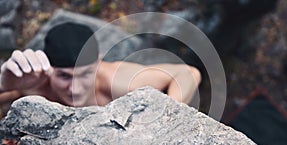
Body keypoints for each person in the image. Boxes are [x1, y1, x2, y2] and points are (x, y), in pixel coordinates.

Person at [0, 22, 201, 113]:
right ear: (50, 68)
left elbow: (188, 73)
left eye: (85, 74)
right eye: (64, 76)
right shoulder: (33, 84)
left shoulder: (116, 81)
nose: (75, 88)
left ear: (98, 62)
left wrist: (166, 115)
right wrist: (3, 83)